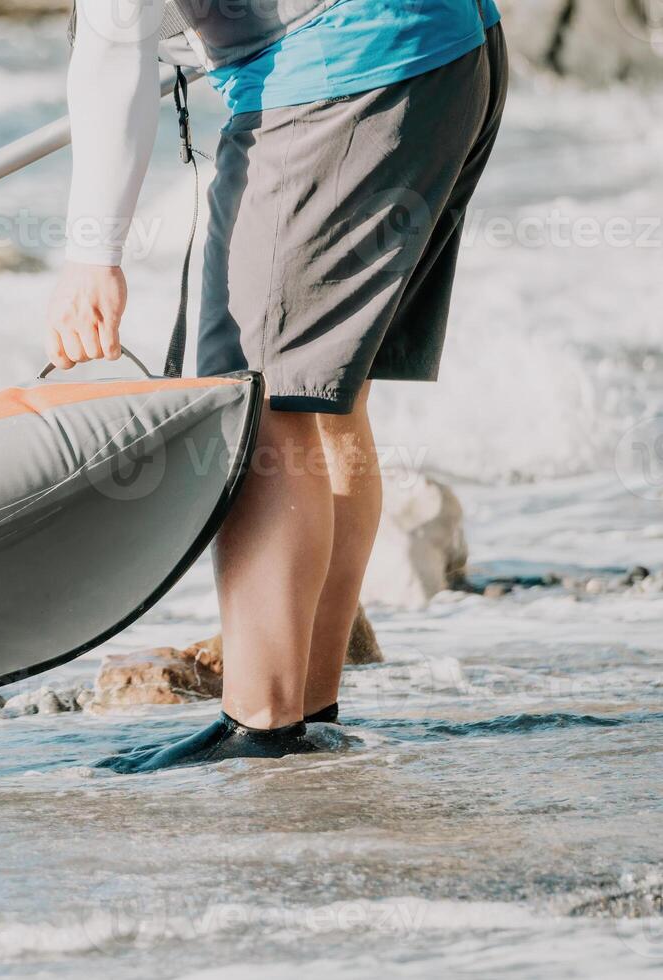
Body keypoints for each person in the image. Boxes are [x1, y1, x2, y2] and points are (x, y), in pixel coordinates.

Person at [47, 0, 507, 770]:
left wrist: (92, 255)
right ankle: (307, 713)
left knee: (257, 399)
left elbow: (114, 42)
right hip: (453, 49)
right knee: (324, 392)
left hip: (346, 75)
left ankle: (261, 727)